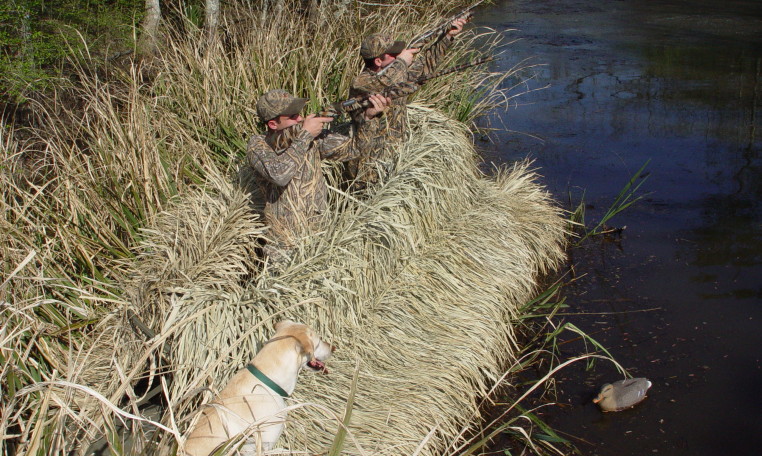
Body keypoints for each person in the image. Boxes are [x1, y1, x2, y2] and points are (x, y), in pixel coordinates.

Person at [248, 89, 390, 262]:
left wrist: (368, 119)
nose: (300, 119)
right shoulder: (258, 145)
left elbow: (355, 150)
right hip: (284, 246)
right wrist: (305, 135)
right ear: (273, 125)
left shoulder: (312, 140)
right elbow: (279, 175)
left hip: (320, 238)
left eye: (299, 114)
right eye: (292, 117)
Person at [347, 17, 467, 186]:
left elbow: (424, 67)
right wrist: (402, 61)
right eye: (394, 54)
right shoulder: (362, 82)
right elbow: (383, 83)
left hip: (394, 156)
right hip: (368, 166)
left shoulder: (396, 75)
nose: (398, 56)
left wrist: (447, 37)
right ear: (378, 61)